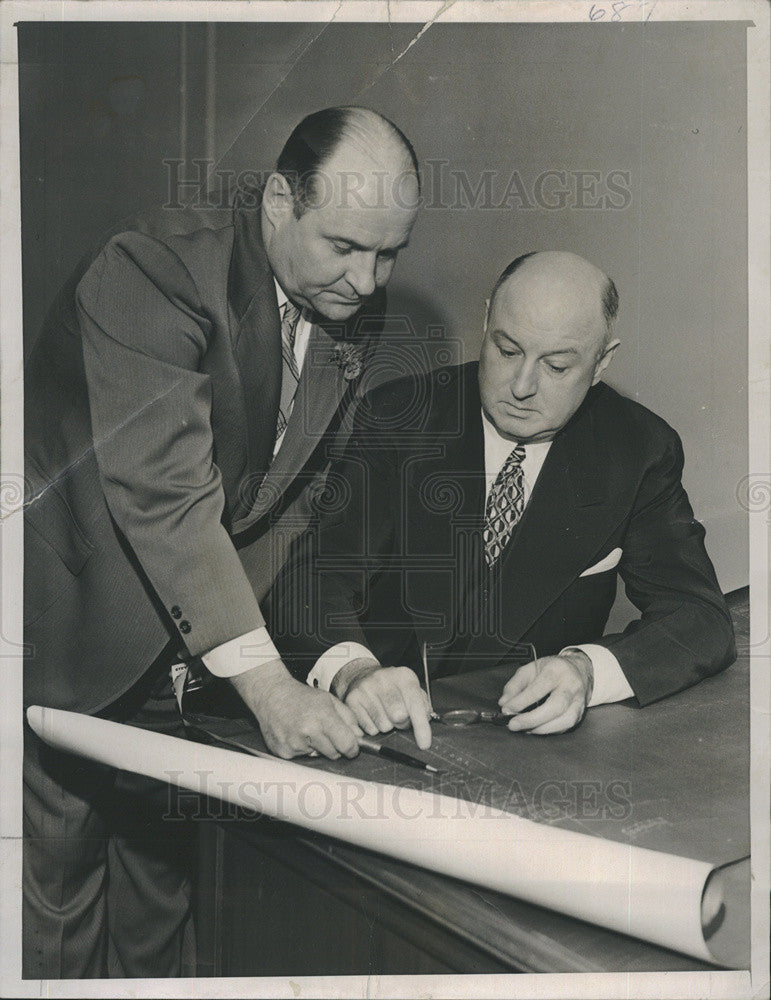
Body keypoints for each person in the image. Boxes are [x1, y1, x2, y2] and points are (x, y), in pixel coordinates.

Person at [22, 106, 420, 978]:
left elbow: (292, 501)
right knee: (57, 903)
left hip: (196, 654)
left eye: (388, 254)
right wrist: (269, 690)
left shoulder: (347, 308)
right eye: (347, 245)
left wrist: (273, 663)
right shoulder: (152, 268)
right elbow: (166, 495)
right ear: (279, 201)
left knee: (163, 895)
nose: (367, 278)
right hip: (70, 637)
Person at [269, 250, 736, 751]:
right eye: (507, 350)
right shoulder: (400, 415)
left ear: (602, 362)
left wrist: (586, 671)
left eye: (556, 366)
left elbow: (700, 618)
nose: (521, 387)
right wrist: (356, 672)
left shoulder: (639, 448)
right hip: (375, 738)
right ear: (487, 319)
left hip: (523, 751)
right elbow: (311, 580)